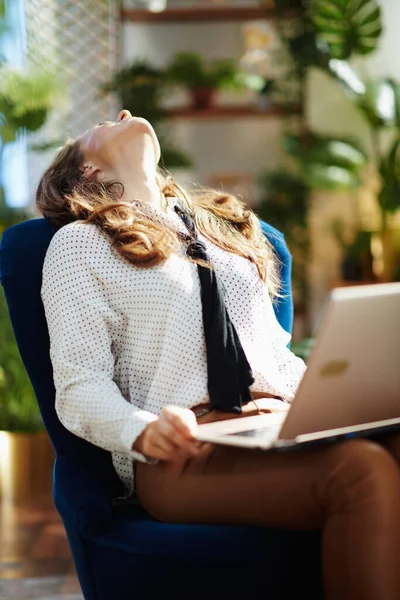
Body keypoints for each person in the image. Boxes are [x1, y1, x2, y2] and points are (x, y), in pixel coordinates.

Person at [37, 109, 400, 600]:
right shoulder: (78, 246)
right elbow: (80, 387)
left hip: (277, 426)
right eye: (102, 125)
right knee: (360, 472)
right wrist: (143, 430)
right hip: (188, 453)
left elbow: (274, 354)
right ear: (89, 171)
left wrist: (345, 396)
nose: (122, 113)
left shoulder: (225, 235)